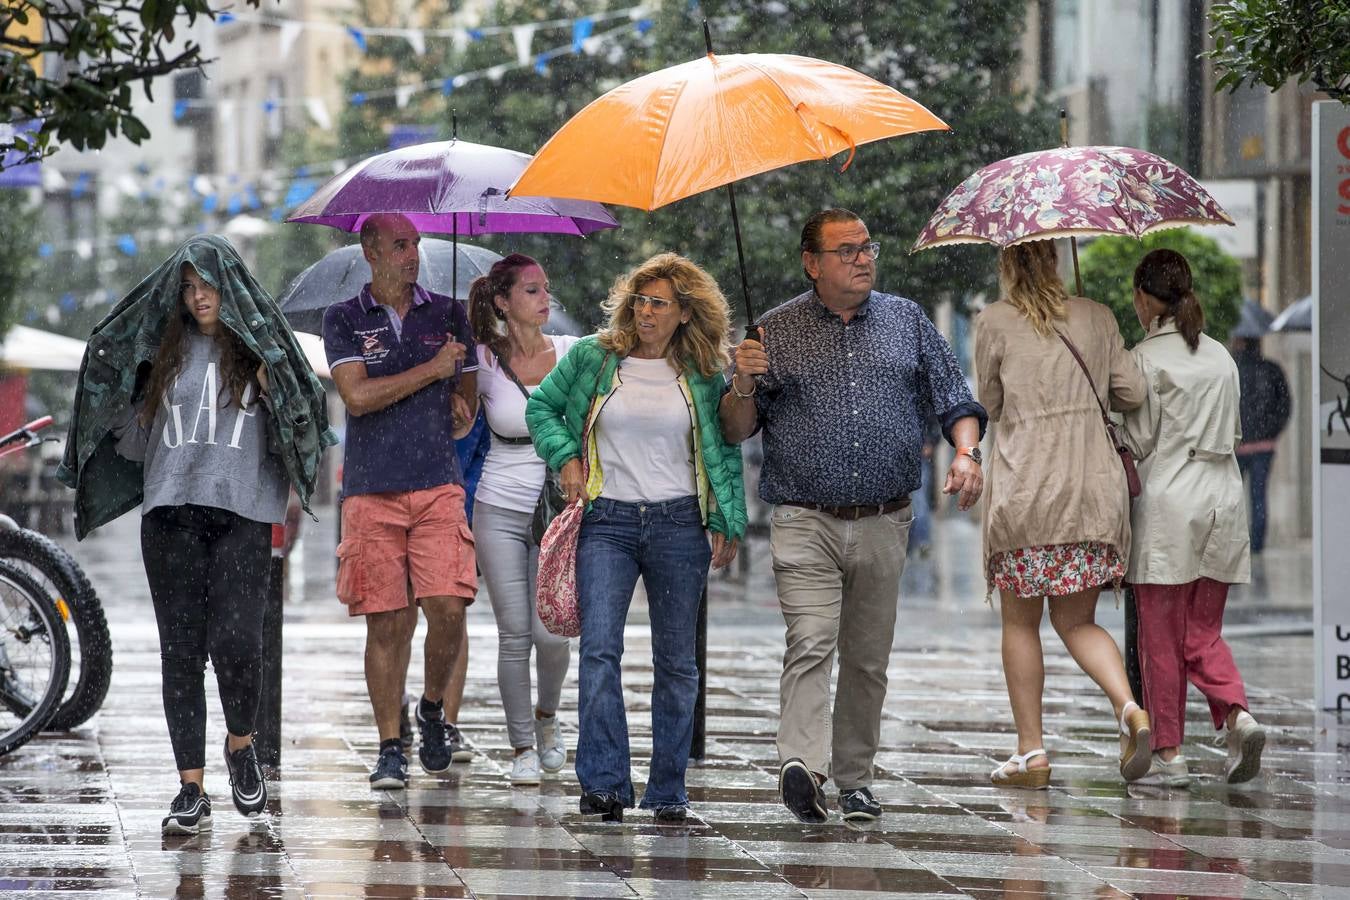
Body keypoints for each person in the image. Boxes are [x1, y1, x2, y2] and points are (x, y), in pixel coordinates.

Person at [721, 208, 986, 824]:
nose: (863, 258)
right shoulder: (774, 332)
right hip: (804, 519)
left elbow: (955, 399)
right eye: (846, 251)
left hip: (885, 519)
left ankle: (855, 778)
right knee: (811, 641)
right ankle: (802, 767)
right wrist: (741, 381)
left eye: (867, 247)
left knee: (867, 658)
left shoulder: (905, 320)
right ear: (812, 263)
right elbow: (736, 429)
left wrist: (968, 453)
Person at [67, 235, 334, 835]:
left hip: (243, 512)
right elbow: (136, 446)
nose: (197, 296)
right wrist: (125, 404)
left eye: (207, 284)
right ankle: (190, 787)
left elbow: (307, 420)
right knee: (180, 653)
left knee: (238, 643)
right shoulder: (160, 351)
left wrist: (275, 385)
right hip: (170, 513)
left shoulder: (262, 349)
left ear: (230, 285)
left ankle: (240, 745)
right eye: (187, 287)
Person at [526, 252, 746, 823]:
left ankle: (668, 787)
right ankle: (604, 782)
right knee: (600, 650)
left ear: (683, 313)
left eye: (660, 304)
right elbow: (542, 407)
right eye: (640, 301)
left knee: (676, 661)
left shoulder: (702, 371)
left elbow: (723, 449)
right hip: (607, 522)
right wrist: (566, 456)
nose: (646, 312)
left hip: (679, 524)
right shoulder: (597, 357)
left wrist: (728, 519)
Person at [974, 241, 1151, 790]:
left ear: (1007, 265)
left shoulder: (994, 322)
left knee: (1020, 623)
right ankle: (1129, 708)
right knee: (1077, 622)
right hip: (1091, 492)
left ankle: (1032, 752)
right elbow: (1133, 391)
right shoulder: (1096, 315)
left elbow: (990, 404)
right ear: (1055, 259)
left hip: (1028, 494)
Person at [322, 213, 479, 790]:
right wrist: (429, 370)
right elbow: (358, 397)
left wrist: (463, 406)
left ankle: (432, 707)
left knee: (448, 607)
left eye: (414, 244)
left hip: (438, 482)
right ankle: (390, 745)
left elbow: (465, 395)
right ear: (370, 251)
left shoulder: (449, 314)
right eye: (398, 245)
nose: (412, 254)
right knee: (386, 626)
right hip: (371, 488)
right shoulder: (341, 319)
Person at [1122, 248, 1264, 788]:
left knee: (1160, 636)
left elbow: (1136, 440)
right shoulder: (1221, 356)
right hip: (1223, 499)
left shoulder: (1143, 360)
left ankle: (1170, 752)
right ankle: (1236, 714)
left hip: (1168, 505)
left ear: (1142, 297)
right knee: (1202, 631)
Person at [466, 253, 579, 786]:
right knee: (514, 633)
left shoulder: (576, 354)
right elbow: (459, 421)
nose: (544, 298)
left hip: (559, 510)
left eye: (546, 288)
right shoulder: (482, 360)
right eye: (531, 290)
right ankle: (520, 748)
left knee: (553, 632)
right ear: (504, 302)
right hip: (499, 506)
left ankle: (547, 717)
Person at [1233, 337, 1291, 553]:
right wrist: (1271, 432)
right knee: (1259, 495)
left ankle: (1236, 544)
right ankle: (1257, 545)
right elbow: (1285, 405)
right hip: (1264, 447)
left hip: (1237, 445)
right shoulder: (1272, 369)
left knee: (1233, 498)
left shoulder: (1232, 369)